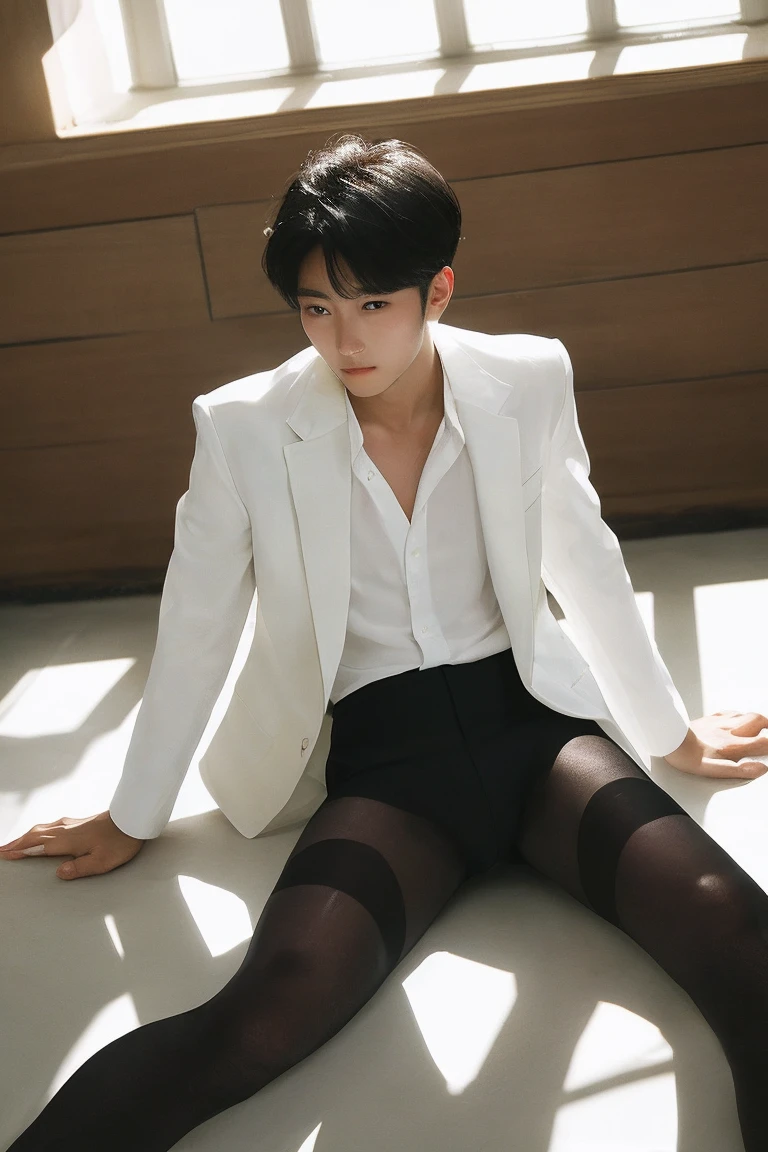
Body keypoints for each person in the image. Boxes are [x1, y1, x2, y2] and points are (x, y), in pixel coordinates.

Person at [2, 133, 767, 1152]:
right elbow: (195, 622)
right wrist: (135, 811)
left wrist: (665, 732)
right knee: (266, 1010)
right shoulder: (243, 427)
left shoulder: (526, 378)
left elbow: (584, 554)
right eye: (316, 307)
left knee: (739, 931)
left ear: (436, 292)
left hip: (538, 738)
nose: (342, 338)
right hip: (388, 772)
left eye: (370, 304)